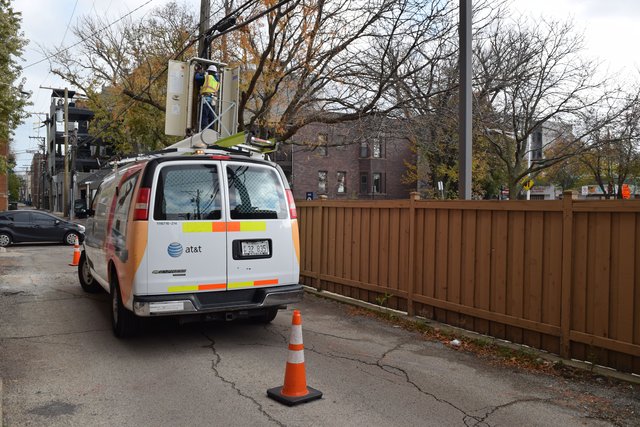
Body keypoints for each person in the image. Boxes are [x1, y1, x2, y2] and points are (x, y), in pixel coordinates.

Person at [199, 65, 220, 131]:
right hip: (213, 100)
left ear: (209, 72)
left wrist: (199, 73)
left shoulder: (208, 77)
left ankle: (204, 129)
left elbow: (197, 78)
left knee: (204, 114)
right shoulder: (217, 81)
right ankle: (211, 130)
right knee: (211, 115)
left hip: (206, 98)